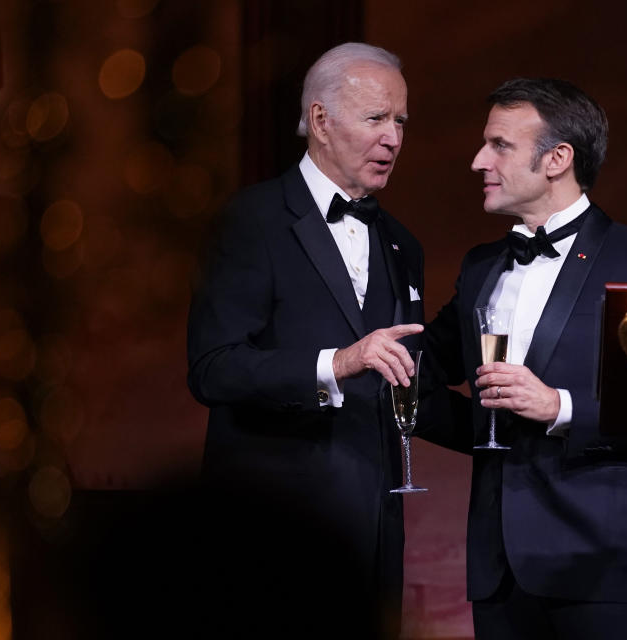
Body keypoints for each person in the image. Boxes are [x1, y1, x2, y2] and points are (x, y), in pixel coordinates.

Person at [423, 78, 627, 639]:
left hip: (605, 566)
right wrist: (351, 359)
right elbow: (427, 368)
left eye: (499, 145)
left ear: (557, 159)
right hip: (500, 572)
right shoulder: (481, 266)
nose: (478, 161)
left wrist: (558, 407)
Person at [187, 42, 423, 635]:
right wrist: (336, 364)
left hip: (372, 536)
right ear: (320, 120)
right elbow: (213, 368)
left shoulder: (402, 243)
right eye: (376, 118)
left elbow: (406, 384)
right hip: (269, 533)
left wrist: (534, 418)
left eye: (399, 121)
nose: (393, 138)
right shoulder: (252, 220)